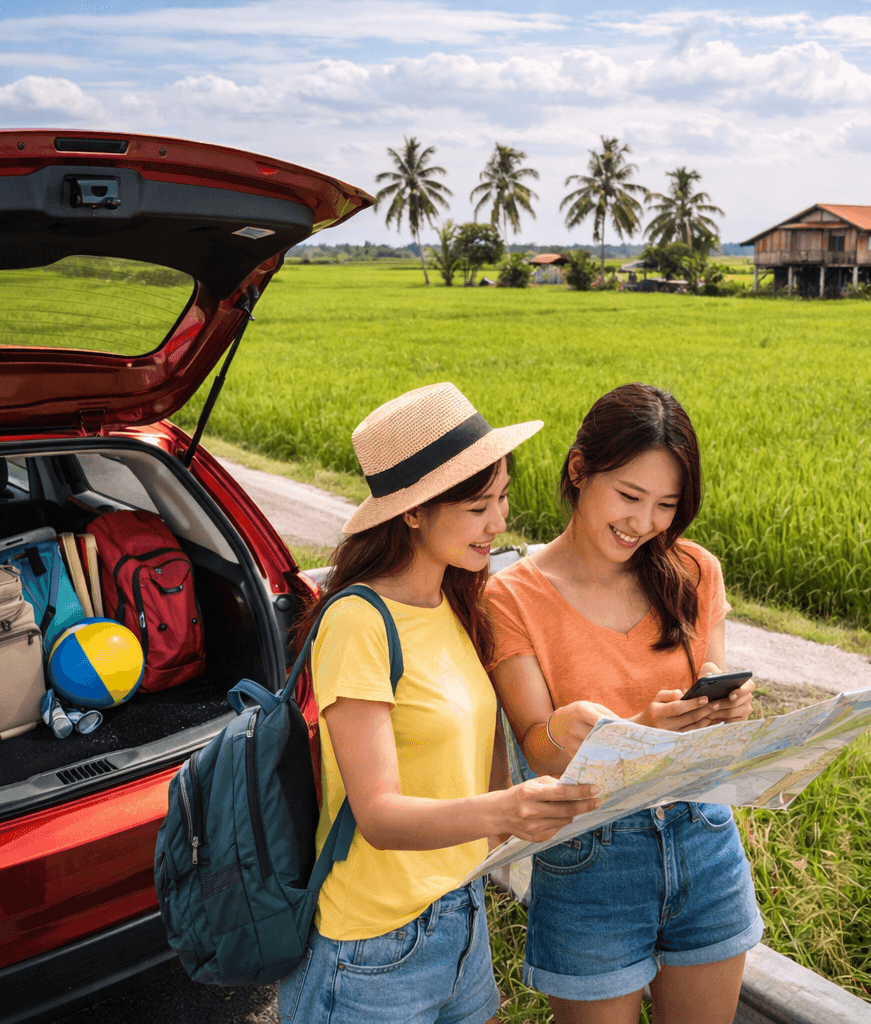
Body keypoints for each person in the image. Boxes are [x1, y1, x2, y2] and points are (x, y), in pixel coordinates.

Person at [276, 382, 601, 1024]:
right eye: (479, 505)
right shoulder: (357, 622)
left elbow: (484, 744)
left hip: (460, 918)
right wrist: (506, 808)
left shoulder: (455, 602)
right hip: (372, 951)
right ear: (414, 512)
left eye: (502, 498)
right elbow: (380, 816)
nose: (500, 523)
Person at [487, 382, 763, 1024]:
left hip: (704, 834)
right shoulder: (511, 598)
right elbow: (536, 743)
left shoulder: (694, 569)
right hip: (592, 858)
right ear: (580, 472)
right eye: (629, 496)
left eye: (666, 504)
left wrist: (728, 704)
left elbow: (714, 673)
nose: (644, 524)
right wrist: (641, 727)